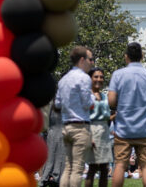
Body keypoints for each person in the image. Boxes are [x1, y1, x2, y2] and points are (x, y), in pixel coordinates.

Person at [108, 42, 146, 187]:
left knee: (120, 165)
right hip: (145, 128)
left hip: (123, 128)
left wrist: (121, 106)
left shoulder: (118, 74)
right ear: (142, 56)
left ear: (126, 57)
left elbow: (111, 101)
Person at [55, 46, 95, 187]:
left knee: (68, 167)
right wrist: (93, 98)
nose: (92, 63)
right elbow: (87, 103)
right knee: (78, 169)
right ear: (82, 60)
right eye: (90, 60)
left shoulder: (63, 79)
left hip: (66, 126)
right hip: (80, 126)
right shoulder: (84, 78)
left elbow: (57, 104)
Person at [85, 68, 113, 187]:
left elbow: (106, 117)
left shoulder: (104, 96)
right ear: (90, 78)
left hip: (104, 131)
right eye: (96, 76)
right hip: (92, 130)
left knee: (104, 168)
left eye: (101, 77)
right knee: (92, 167)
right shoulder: (86, 95)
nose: (99, 79)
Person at [40, 103, 66, 186]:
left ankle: (51, 177)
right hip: (52, 131)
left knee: (57, 157)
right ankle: (48, 177)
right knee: (51, 157)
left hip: (58, 131)